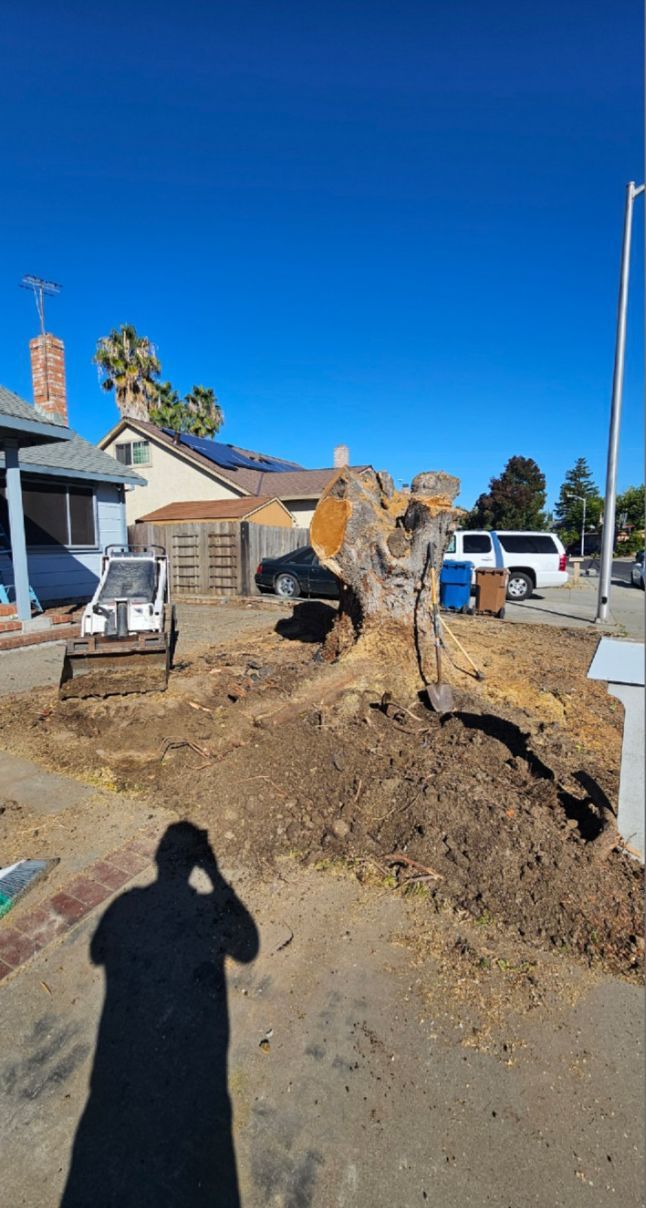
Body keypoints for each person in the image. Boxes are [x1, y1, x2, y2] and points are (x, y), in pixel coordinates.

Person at [61, 822, 258, 1208]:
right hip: (200, 1073)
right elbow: (247, 948)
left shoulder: (125, 905)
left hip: (114, 1072)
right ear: (197, 863)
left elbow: (97, 952)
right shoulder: (204, 906)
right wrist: (216, 876)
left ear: (157, 859)